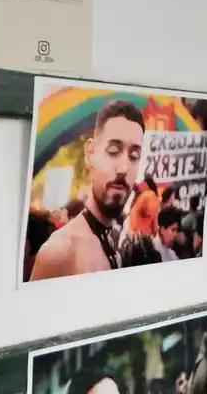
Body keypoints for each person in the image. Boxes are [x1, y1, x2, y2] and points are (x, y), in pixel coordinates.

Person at [30, 101, 147, 280]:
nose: (124, 168)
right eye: (113, 151)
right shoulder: (59, 251)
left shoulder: (122, 244)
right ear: (90, 153)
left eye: (134, 156)